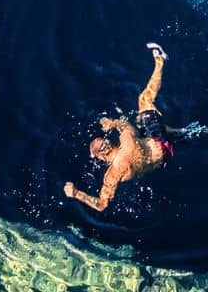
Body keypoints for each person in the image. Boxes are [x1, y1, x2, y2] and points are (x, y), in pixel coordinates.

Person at [64, 42, 180, 212]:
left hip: (163, 161)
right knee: (144, 101)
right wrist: (112, 123)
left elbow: (101, 205)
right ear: (107, 146)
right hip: (158, 142)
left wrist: (76, 194)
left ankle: (179, 134)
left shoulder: (112, 175)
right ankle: (160, 60)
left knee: (146, 128)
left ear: (101, 157)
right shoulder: (126, 141)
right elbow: (124, 123)